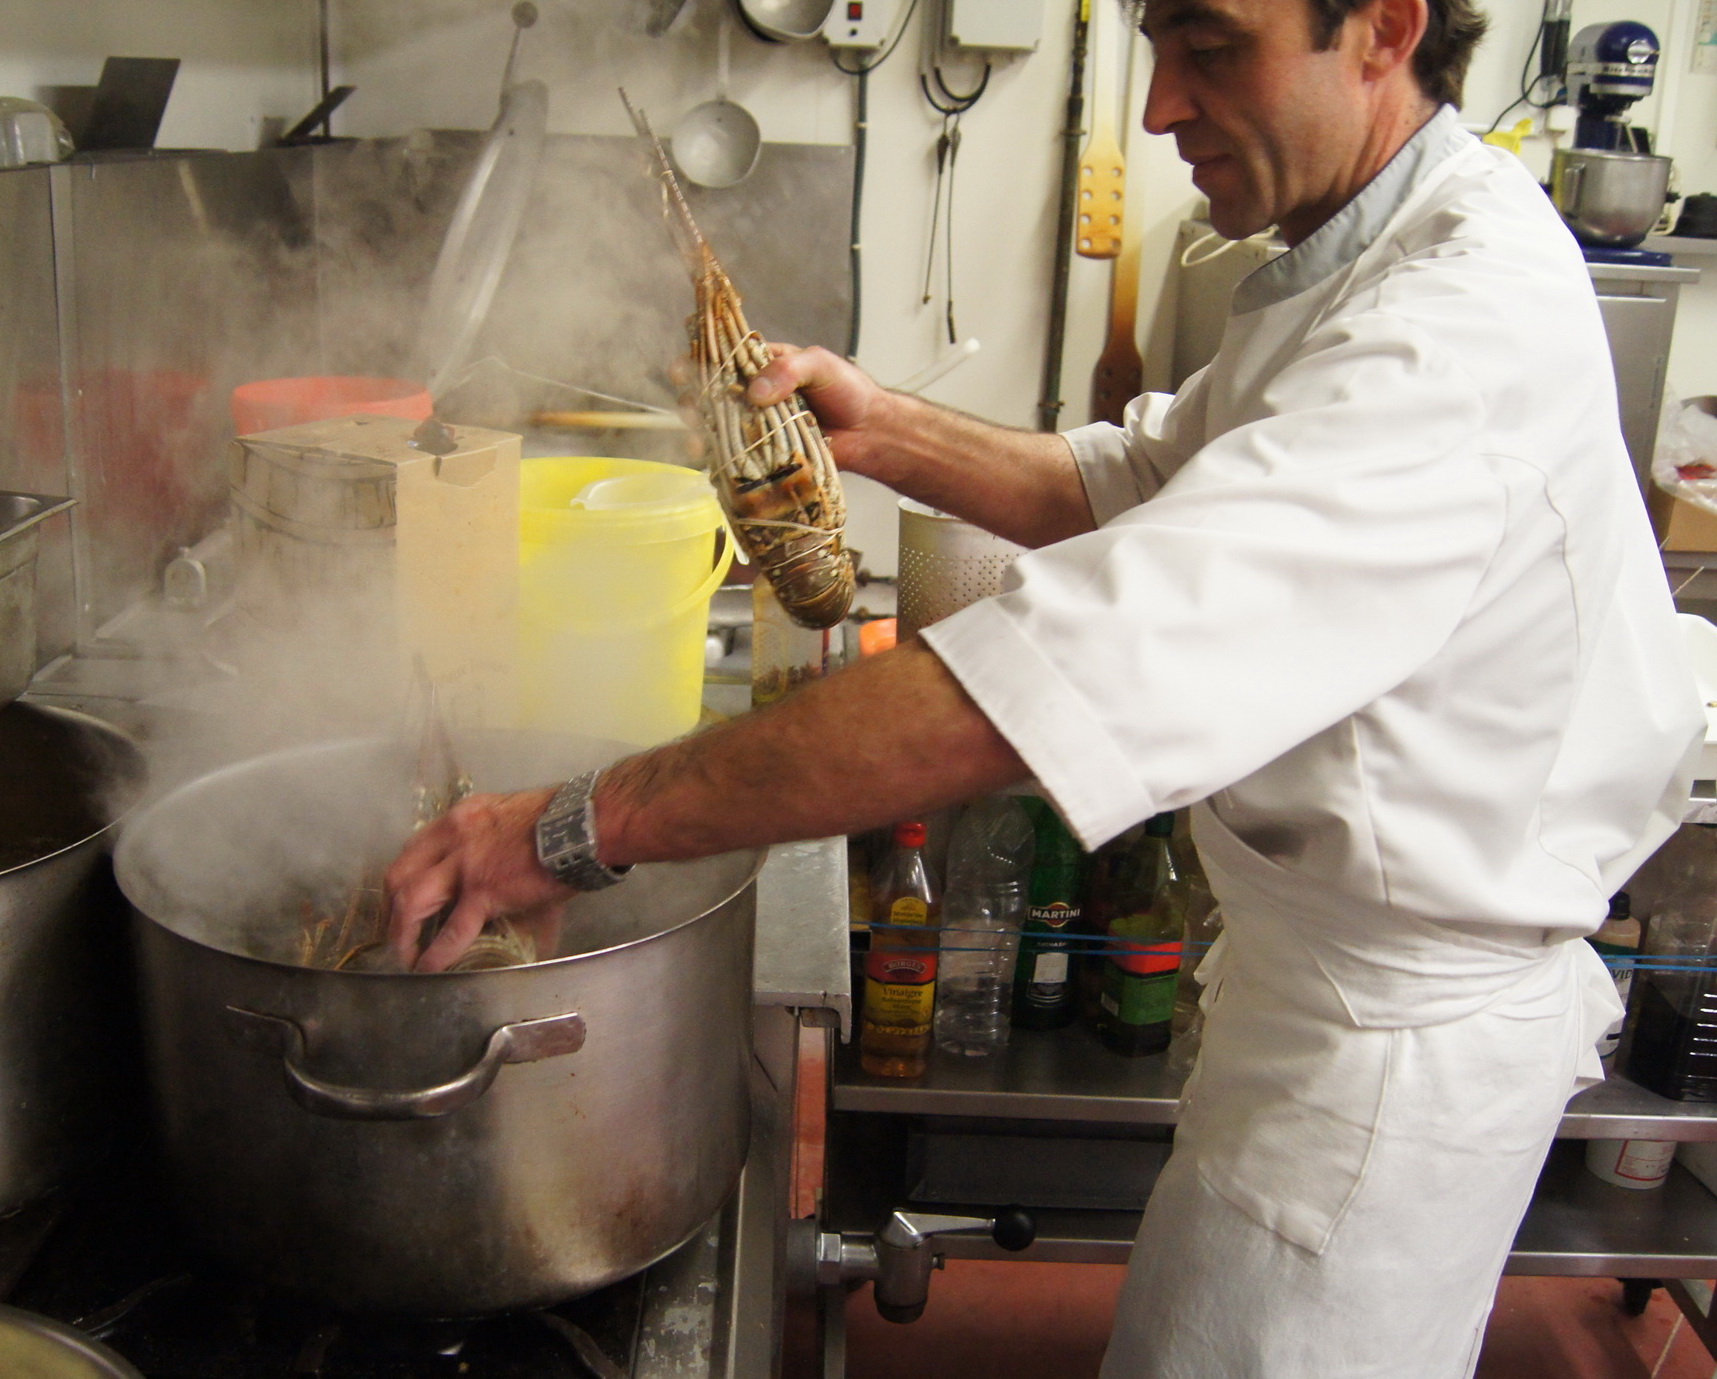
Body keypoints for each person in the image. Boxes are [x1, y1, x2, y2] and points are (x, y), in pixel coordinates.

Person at [387, 0, 1703, 1371]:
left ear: (1381, 26)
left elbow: (1042, 679)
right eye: (1155, 48)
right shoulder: (1357, 257)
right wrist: (880, 426)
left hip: (1387, 1066)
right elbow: (1140, 483)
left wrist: (571, 827)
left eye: (1211, 47)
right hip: (1323, 998)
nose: (1159, 107)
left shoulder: (1451, 332)